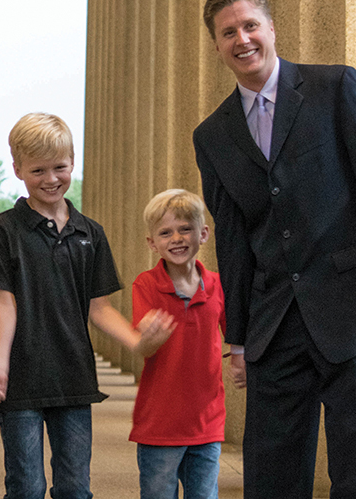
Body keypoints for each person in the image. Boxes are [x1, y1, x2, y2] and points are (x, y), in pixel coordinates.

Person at [193, 0, 356, 499]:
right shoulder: (212, 135)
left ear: (271, 29)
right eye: (229, 32)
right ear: (216, 46)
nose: (242, 38)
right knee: (270, 477)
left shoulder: (335, 87)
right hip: (276, 326)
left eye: (250, 25)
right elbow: (233, 239)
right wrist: (239, 339)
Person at [0, 112, 176, 499]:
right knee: (26, 487)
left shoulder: (91, 233)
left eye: (60, 167)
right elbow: (4, 302)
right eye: (38, 170)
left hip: (74, 376)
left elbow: (99, 308)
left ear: (73, 162)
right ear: (18, 168)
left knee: (74, 486)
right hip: (21, 378)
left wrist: (138, 341)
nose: (51, 179)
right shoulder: (3, 229)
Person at [129, 189, 226, 499]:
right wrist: (146, 338)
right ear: (152, 243)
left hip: (207, 420)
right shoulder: (146, 284)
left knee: (205, 494)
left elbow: (238, 337)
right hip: (159, 422)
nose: (177, 238)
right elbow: (142, 343)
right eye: (165, 232)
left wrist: (242, 357)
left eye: (185, 229)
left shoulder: (217, 285)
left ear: (203, 234)